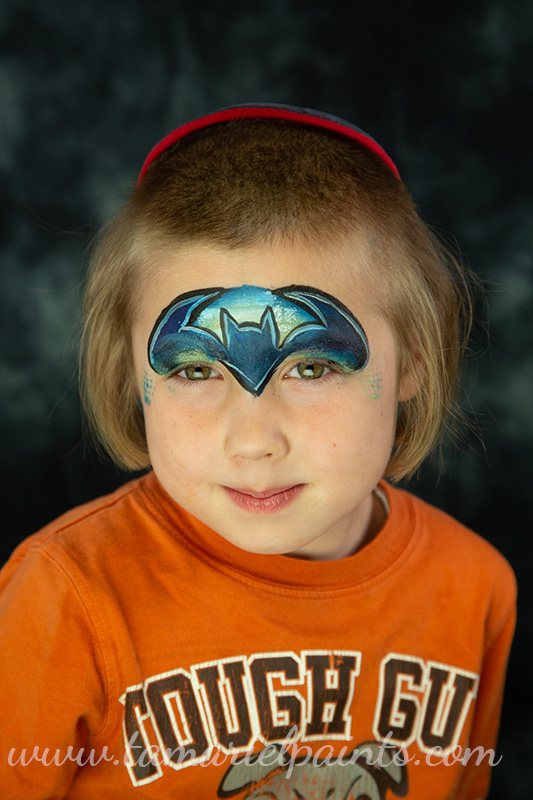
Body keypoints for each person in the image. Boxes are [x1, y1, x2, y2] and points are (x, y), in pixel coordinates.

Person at [0, 104, 516, 799]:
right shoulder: (63, 598)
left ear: (413, 359)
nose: (252, 442)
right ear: (131, 373)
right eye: (193, 370)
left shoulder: (475, 587)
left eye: (311, 370)